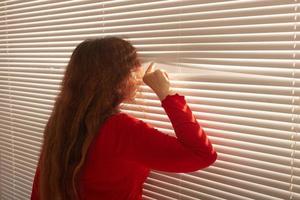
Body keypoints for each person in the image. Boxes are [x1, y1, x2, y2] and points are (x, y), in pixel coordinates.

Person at [30, 37, 217, 200]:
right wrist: (166, 93)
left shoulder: (62, 122)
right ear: (118, 78)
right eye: (134, 67)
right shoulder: (119, 130)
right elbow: (202, 155)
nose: (138, 75)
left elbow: (40, 188)